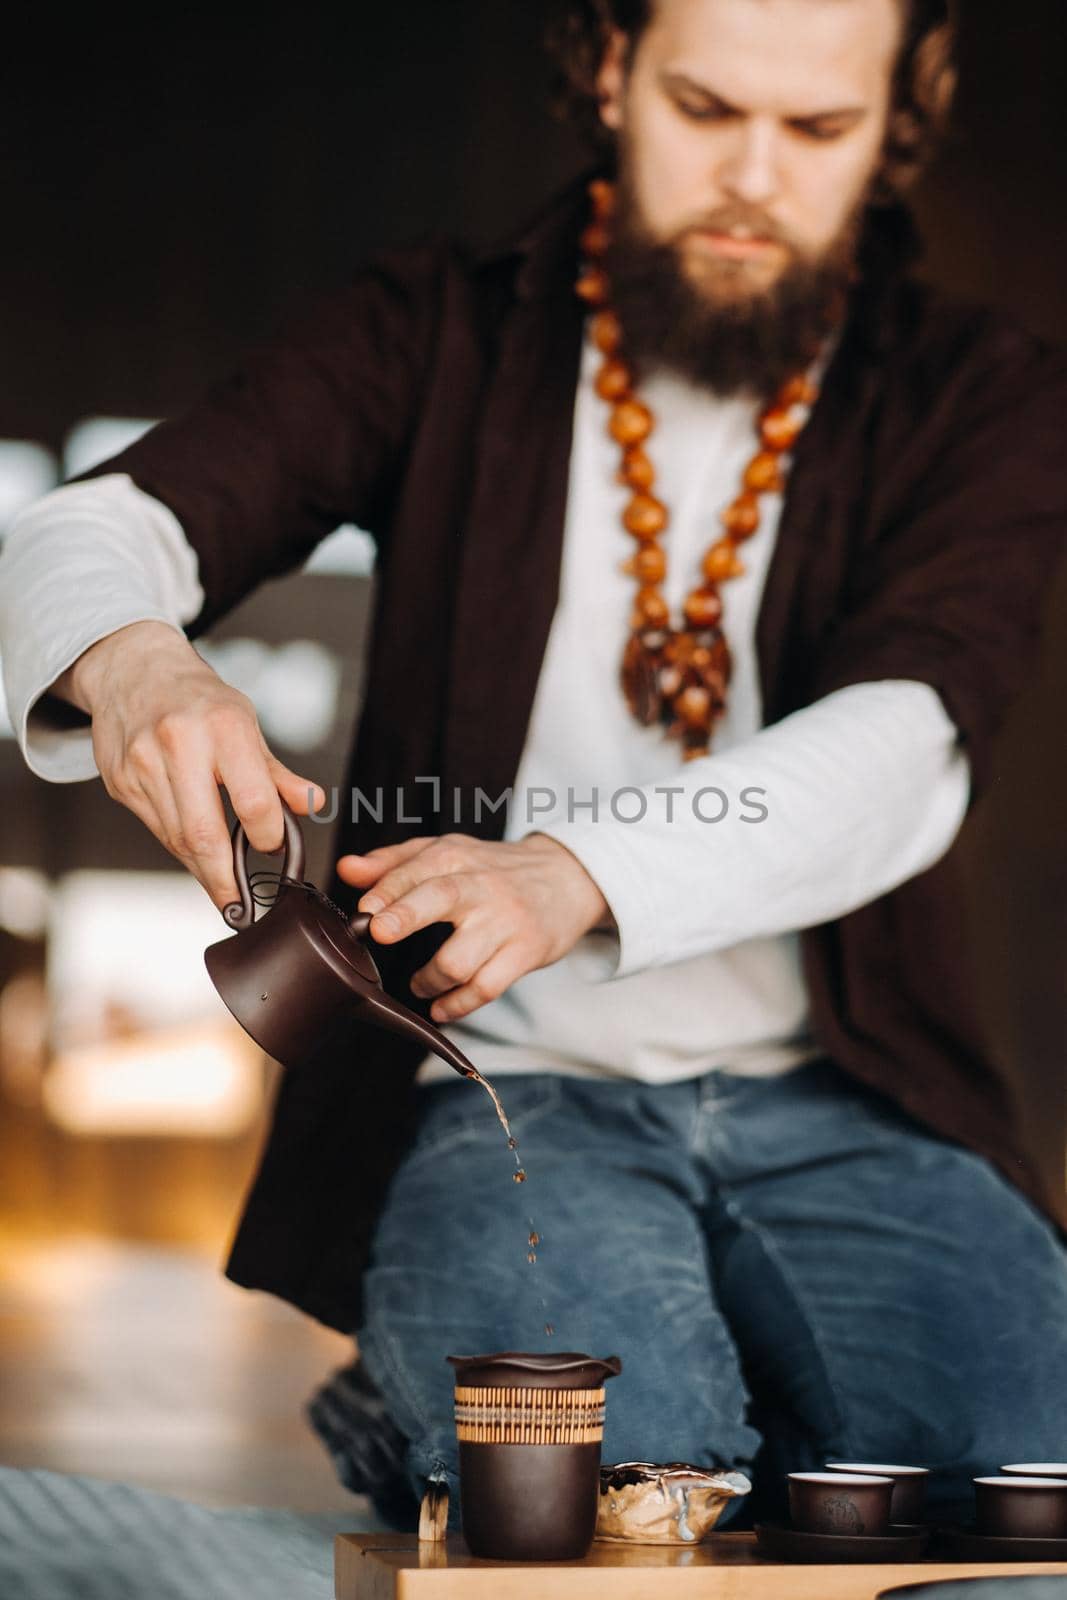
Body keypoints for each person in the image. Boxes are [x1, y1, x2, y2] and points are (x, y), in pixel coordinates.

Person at [2, 0, 1066, 1529]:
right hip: (513, 1093)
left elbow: (906, 739)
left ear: (897, 127)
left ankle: (423, 1393)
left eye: (817, 129)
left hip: (849, 1099)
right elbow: (85, 530)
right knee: (622, 1503)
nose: (755, 172)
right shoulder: (433, 326)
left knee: (1023, 1494)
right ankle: (431, 1382)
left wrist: (577, 874)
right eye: (707, 107)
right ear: (611, 72)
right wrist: (137, 661)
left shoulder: (985, 391)